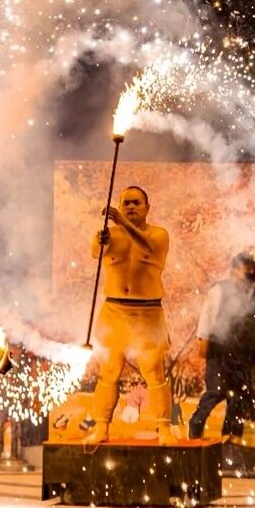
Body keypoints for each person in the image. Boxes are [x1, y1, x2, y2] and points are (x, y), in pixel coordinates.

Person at [82, 186, 177, 445]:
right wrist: (100, 241)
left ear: (147, 207)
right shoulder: (109, 234)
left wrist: (122, 222)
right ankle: (101, 428)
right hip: (114, 311)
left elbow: (147, 246)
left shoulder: (159, 235)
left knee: (154, 372)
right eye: (126, 204)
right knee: (108, 372)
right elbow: (95, 252)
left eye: (136, 203)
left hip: (147, 312)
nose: (131, 207)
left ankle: (164, 429)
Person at [188, 252, 255, 440]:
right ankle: (196, 424)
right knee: (216, 390)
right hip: (220, 348)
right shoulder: (219, 290)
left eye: (253, 268)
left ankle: (231, 437)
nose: (252, 271)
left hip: (244, 351)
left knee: (238, 395)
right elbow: (207, 314)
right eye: (248, 268)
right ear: (236, 270)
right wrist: (202, 339)